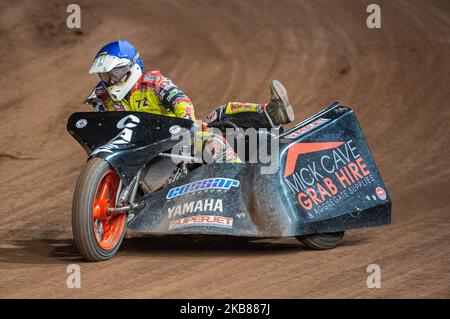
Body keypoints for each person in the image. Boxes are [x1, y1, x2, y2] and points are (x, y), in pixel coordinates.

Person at [86, 39, 294, 162]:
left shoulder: (153, 82)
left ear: (132, 67)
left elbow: (182, 101)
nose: (111, 81)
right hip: (133, 150)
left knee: (216, 128)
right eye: (106, 76)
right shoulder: (101, 96)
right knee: (213, 124)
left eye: (116, 73)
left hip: (173, 139)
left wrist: (185, 124)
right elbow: (97, 128)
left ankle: (269, 114)